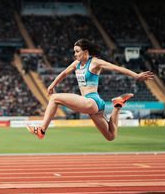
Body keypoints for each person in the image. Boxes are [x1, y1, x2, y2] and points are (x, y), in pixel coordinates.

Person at [26, 38, 154, 141]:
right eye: (74, 52)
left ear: (85, 51)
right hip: (94, 107)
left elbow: (115, 68)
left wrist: (136, 75)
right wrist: (52, 85)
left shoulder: (95, 62)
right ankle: (117, 105)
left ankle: (42, 129)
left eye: (77, 51)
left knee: (54, 98)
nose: (75, 54)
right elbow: (64, 73)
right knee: (111, 136)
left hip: (91, 100)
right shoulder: (76, 64)